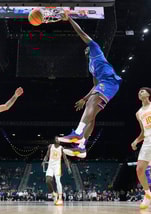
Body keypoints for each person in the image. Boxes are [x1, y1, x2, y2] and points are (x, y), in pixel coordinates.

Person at [57, 11, 122, 158]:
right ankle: (81, 148)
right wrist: (84, 98)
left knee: (91, 105)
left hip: (110, 81)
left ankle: (78, 133)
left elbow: (81, 33)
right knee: (91, 116)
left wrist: (70, 20)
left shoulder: (96, 49)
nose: (86, 48)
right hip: (104, 85)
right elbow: (95, 86)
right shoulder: (91, 66)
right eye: (85, 49)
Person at [43, 137, 72, 205]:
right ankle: (53, 193)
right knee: (47, 181)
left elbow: (65, 159)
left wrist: (68, 167)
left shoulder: (62, 148)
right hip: (50, 166)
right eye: (56, 139)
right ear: (54, 140)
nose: (58, 140)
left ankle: (60, 198)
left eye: (59, 139)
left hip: (57, 167)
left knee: (58, 181)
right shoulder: (50, 146)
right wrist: (44, 160)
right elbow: (47, 155)